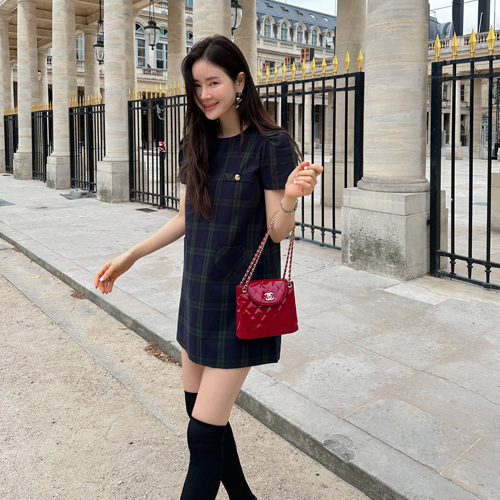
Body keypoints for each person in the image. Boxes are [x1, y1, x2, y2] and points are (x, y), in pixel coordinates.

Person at [94, 34, 323, 500]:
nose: (204, 95)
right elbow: (185, 217)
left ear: (239, 81)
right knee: (200, 416)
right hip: (198, 293)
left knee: (201, 436)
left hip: (241, 304)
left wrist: (291, 199)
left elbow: (277, 232)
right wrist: (131, 256)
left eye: (213, 82)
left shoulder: (272, 144)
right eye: (197, 86)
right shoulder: (197, 141)